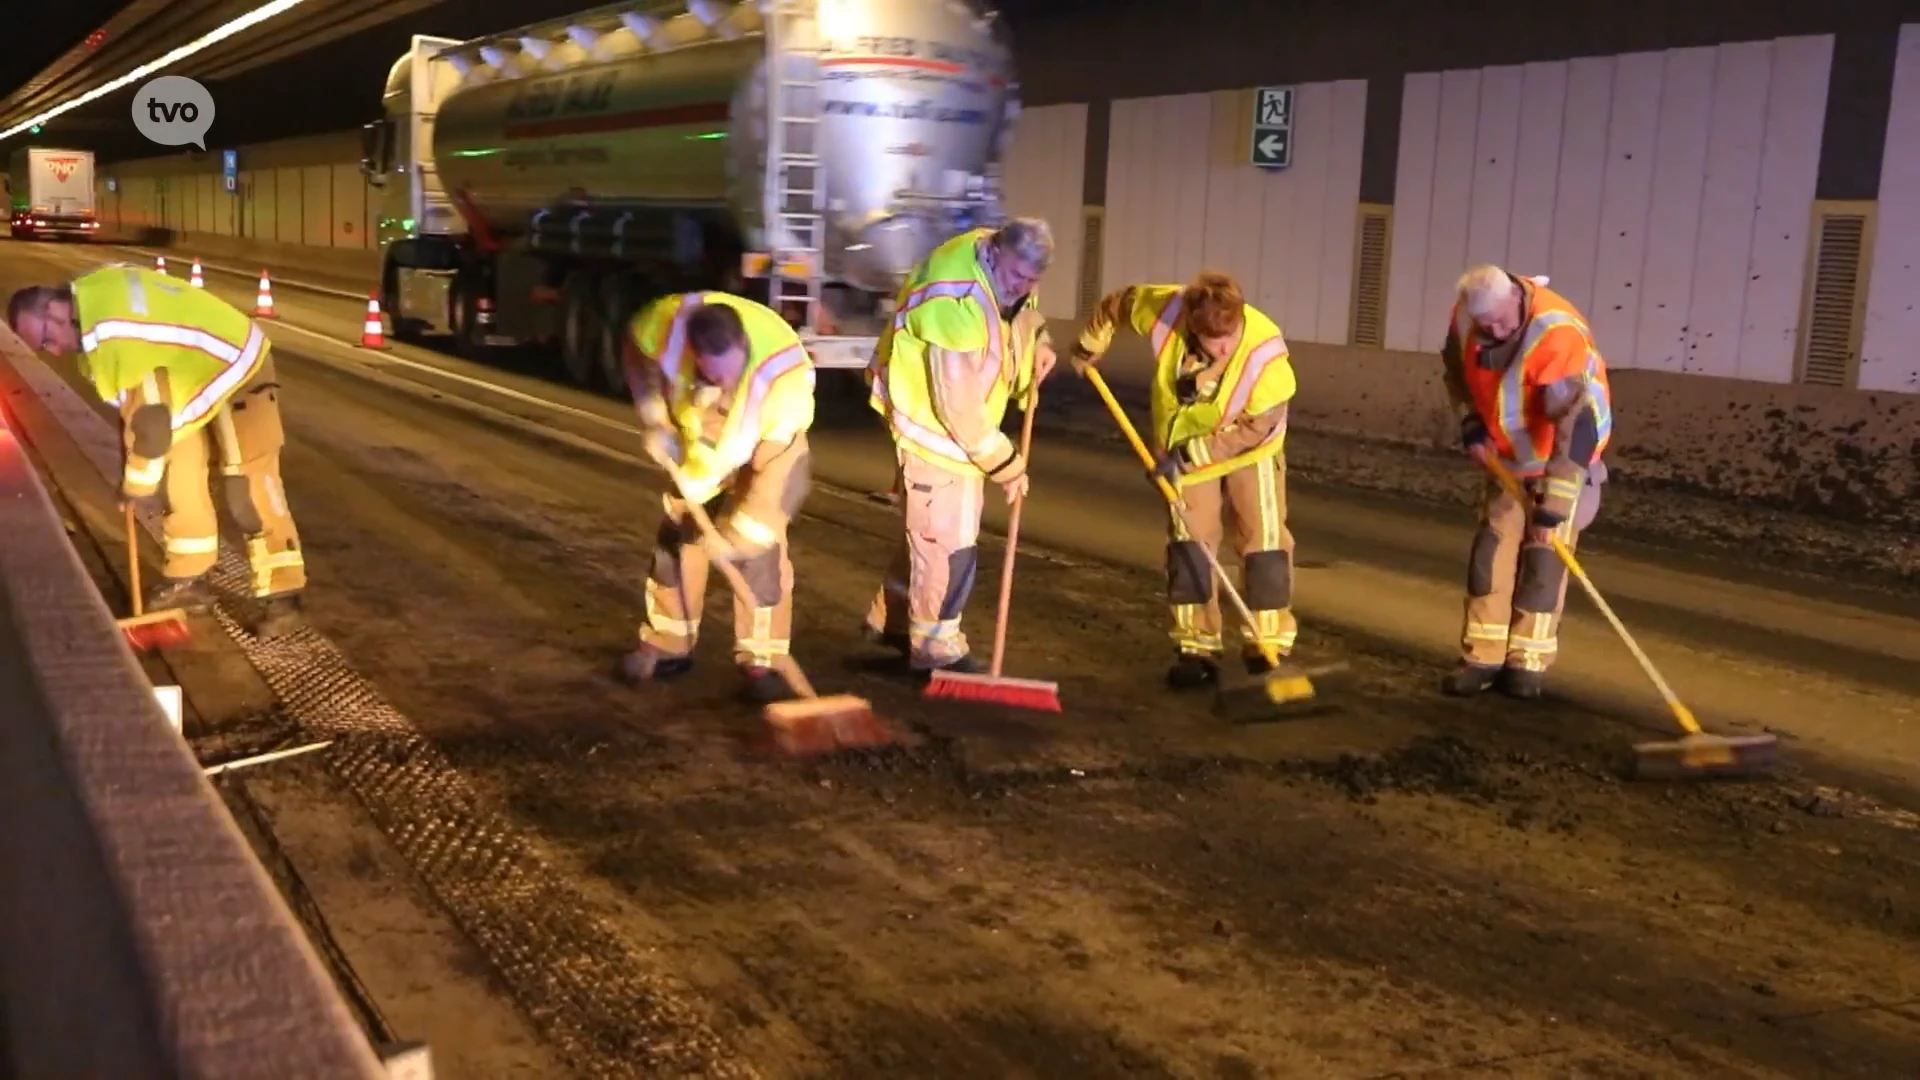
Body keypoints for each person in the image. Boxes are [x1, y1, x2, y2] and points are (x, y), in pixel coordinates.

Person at [6, 265, 306, 637]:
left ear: (55, 311)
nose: (51, 352)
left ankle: (283, 594)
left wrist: (133, 485)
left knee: (245, 486)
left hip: (235, 364)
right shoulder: (88, 298)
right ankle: (188, 577)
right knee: (178, 478)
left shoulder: (114, 337)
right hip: (184, 372)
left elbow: (150, 424)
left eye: (46, 340)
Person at [1071, 271, 1299, 689]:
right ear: (1193, 326)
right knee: (1191, 546)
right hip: (1182, 452)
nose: (1225, 348)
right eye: (1215, 342)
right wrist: (1090, 342)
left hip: (1252, 449)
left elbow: (1258, 427)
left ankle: (1267, 645)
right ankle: (1196, 647)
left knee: (1263, 540)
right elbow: (1119, 303)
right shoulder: (1167, 309)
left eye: (1229, 337)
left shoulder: (1265, 352)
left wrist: (1189, 455)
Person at [862, 217, 1058, 675]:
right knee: (948, 543)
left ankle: (891, 620)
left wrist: (1040, 341)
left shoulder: (1004, 266)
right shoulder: (954, 298)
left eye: (1031, 281)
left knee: (928, 532)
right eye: (1016, 277)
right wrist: (1005, 464)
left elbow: (1023, 312)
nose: (1021, 287)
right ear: (993, 253)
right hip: (934, 430)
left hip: (962, 431)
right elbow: (957, 406)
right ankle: (935, 648)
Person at [620, 291, 816, 703]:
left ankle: (762, 659)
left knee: (756, 546)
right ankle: (670, 641)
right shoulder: (664, 323)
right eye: (710, 374)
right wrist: (652, 411)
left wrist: (733, 537)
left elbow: (762, 469)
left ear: (743, 346)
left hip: (768, 446)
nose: (720, 382)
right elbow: (636, 353)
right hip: (701, 437)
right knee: (678, 533)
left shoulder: (785, 384)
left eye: (725, 377)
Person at [1440, 265, 1613, 699]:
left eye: (1502, 320)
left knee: (1544, 561)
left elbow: (1576, 428)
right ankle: (1482, 656)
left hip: (1565, 462)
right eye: (1487, 325)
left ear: (1519, 297)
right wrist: (1471, 424)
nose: (1496, 330)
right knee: (1491, 554)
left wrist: (1552, 508)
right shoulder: (1464, 320)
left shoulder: (1556, 334)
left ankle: (1528, 663)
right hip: (1509, 462)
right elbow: (1457, 375)